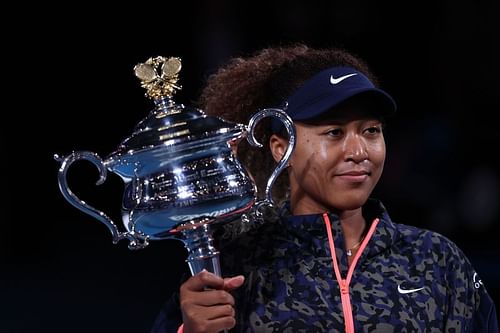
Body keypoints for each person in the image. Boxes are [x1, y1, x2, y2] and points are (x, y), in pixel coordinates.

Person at [151, 44, 498, 332]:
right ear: (280, 148)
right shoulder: (232, 270)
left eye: (371, 131)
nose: (359, 152)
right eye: (334, 133)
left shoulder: (436, 260)